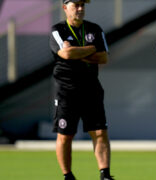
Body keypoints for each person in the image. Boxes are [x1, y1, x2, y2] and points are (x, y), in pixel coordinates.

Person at [49, 0, 114, 179]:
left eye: (82, 5)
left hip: (91, 87)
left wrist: (78, 52)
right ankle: (68, 175)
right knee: (65, 135)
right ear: (65, 8)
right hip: (66, 90)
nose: (80, 8)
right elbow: (66, 54)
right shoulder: (57, 30)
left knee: (100, 132)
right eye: (75, 5)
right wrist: (90, 50)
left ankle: (105, 175)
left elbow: (103, 57)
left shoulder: (94, 28)